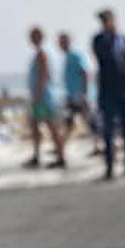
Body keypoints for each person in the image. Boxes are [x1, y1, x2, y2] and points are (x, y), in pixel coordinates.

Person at [91, 8, 125, 179]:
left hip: (123, 89)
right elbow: (104, 58)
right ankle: (110, 165)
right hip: (107, 91)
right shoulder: (99, 40)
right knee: (108, 129)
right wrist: (109, 37)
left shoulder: (123, 39)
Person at [23, 26, 66, 169]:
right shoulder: (45, 52)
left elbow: (43, 76)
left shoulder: (43, 53)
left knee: (51, 127)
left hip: (44, 97)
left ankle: (59, 157)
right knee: (38, 126)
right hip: (45, 95)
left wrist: (38, 96)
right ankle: (38, 155)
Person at [59, 31, 98, 151]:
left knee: (89, 121)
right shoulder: (67, 57)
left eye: (64, 41)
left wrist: (84, 94)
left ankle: (101, 145)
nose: (62, 44)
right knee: (70, 122)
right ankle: (61, 149)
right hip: (72, 95)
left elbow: (85, 73)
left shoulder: (76, 55)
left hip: (80, 95)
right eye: (61, 42)